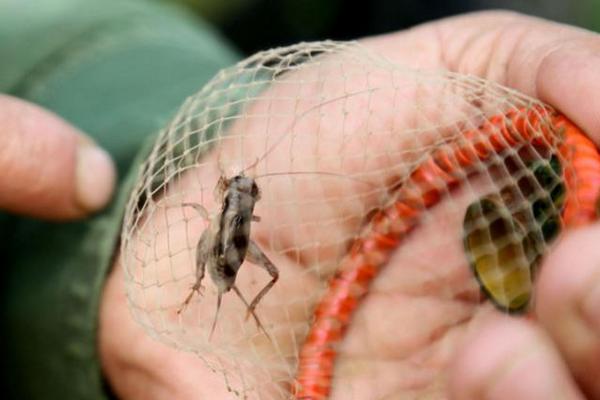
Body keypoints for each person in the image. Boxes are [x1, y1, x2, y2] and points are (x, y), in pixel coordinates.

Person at [1, 2, 600, 399]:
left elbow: (231, 218)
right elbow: (228, 221)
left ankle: (208, 289)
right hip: (218, 250)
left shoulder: (239, 202)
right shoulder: (240, 204)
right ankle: (202, 288)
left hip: (221, 248)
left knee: (231, 245)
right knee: (223, 242)